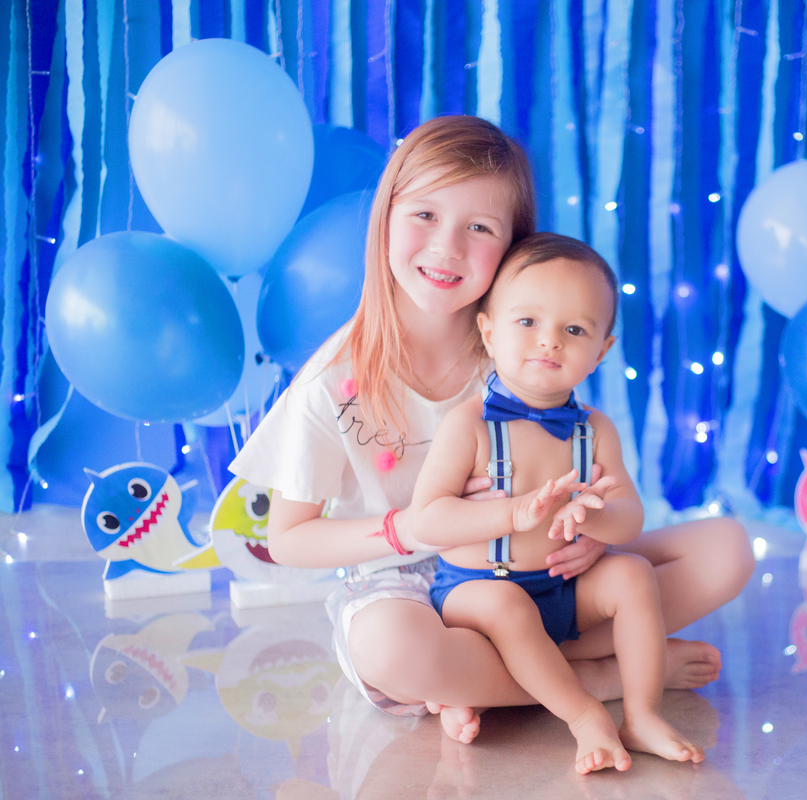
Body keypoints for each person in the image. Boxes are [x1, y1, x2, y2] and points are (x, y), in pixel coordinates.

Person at [232, 114, 753, 748]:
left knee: (726, 547)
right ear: (385, 217)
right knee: (393, 651)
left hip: (535, 565)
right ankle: (602, 679)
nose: (446, 247)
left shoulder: (521, 342)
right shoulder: (331, 384)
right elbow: (287, 540)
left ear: (512, 248)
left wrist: (586, 532)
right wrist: (411, 528)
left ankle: (486, 683)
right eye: (423, 215)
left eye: (478, 228)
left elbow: (573, 465)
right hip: (406, 590)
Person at [407, 233, 704, 774]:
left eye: (574, 330)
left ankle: (641, 713)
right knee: (507, 607)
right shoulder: (469, 425)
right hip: (477, 593)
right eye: (528, 323)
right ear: (488, 330)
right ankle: (585, 713)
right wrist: (512, 514)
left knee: (634, 574)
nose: (550, 342)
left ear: (602, 351)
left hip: (562, 588)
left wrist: (597, 516)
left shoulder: (597, 430)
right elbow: (426, 518)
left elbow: (632, 514)